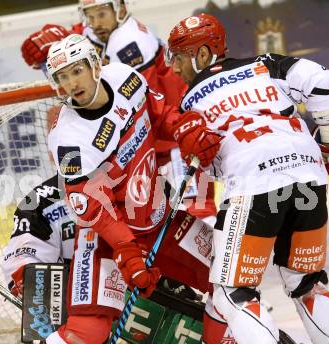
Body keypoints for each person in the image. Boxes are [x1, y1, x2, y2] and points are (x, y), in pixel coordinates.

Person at [9, 33, 240, 344]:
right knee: (90, 327)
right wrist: (127, 251)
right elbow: (91, 207)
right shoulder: (69, 139)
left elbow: (160, 113)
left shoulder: (126, 79)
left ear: (95, 66)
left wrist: (183, 130)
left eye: (76, 71)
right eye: (62, 77)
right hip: (107, 240)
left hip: (161, 219)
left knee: (230, 277)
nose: (72, 84)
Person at [165, 12, 329, 344]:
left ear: (203, 54)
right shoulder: (266, 64)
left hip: (253, 185)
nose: (173, 67)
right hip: (308, 177)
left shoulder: (190, 103)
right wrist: (328, 140)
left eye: (179, 56)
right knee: (307, 282)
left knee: (232, 291)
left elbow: (205, 166)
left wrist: (199, 155)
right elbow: (323, 84)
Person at [20, 0, 217, 220]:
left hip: (174, 138)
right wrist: (57, 37)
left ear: (121, 9)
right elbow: (81, 39)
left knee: (198, 212)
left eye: (101, 14)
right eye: (90, 16)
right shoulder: (104, 29)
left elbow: (134, 106)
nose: (95, 23)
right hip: (155, 144)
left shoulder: (129, 43)